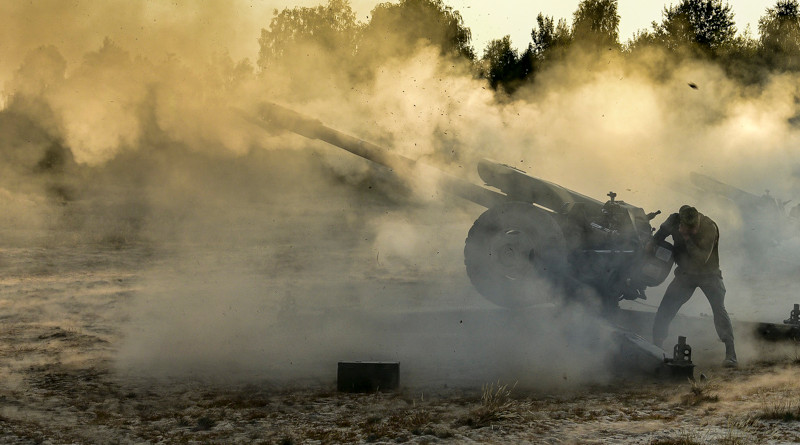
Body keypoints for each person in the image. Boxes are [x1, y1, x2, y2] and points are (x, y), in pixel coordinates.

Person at [649, 205, 737, 367]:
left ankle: (731, 354)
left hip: (709, 275)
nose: (694, 231)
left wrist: (687, 237)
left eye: (694, 228)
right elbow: (657, 238)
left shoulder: (709, 227)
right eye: (688, 228)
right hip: (685, 275)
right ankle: (657, 347)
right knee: (666, 308)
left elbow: (700, 260)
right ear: (680, 222)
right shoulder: (674, 220)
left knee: (719, 310)